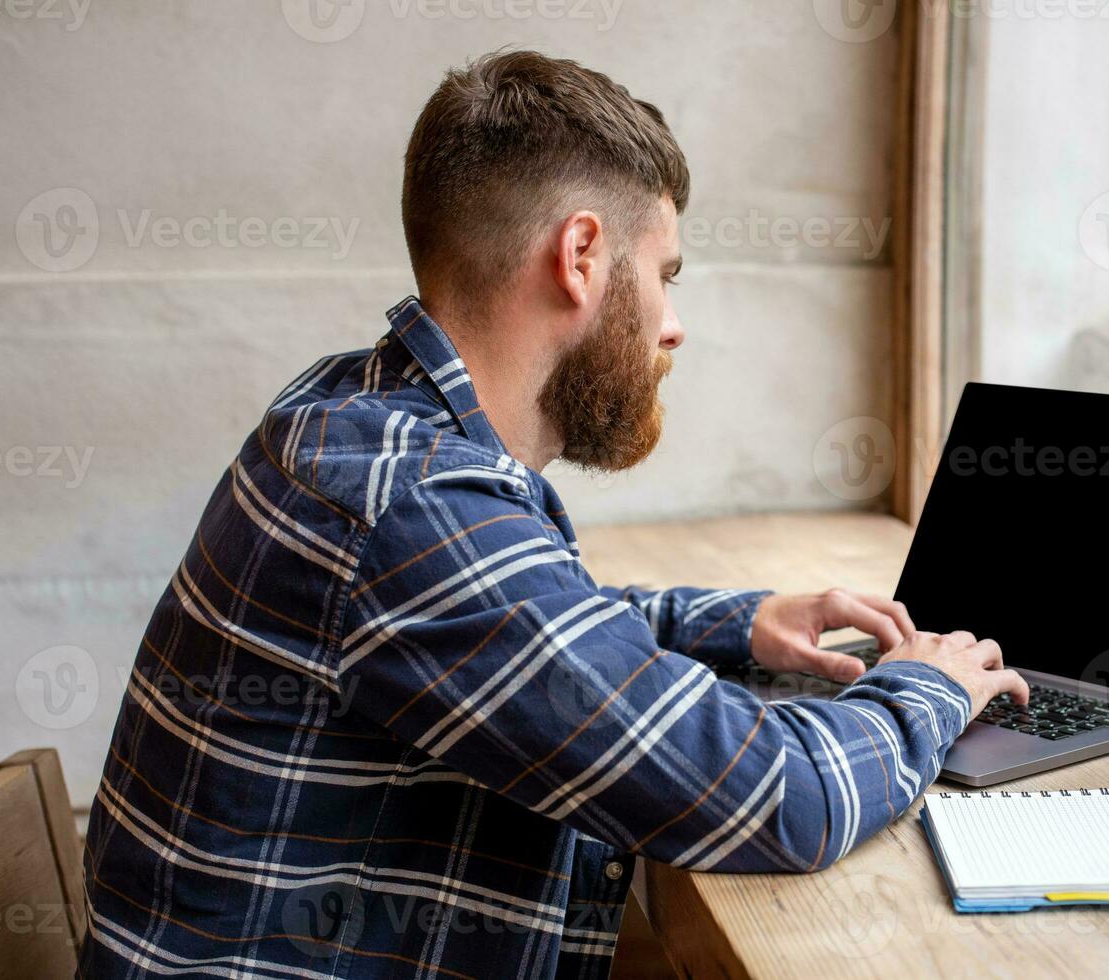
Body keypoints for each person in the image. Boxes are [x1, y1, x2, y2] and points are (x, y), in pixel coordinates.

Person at [78, 49, 1026, 980]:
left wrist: (740, 624)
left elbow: (536, 627)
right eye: (665, 274)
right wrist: (927, 687)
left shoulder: (360, 415)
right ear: (580, 257)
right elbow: (782, 798)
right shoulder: (409, 506)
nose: (672, 324)